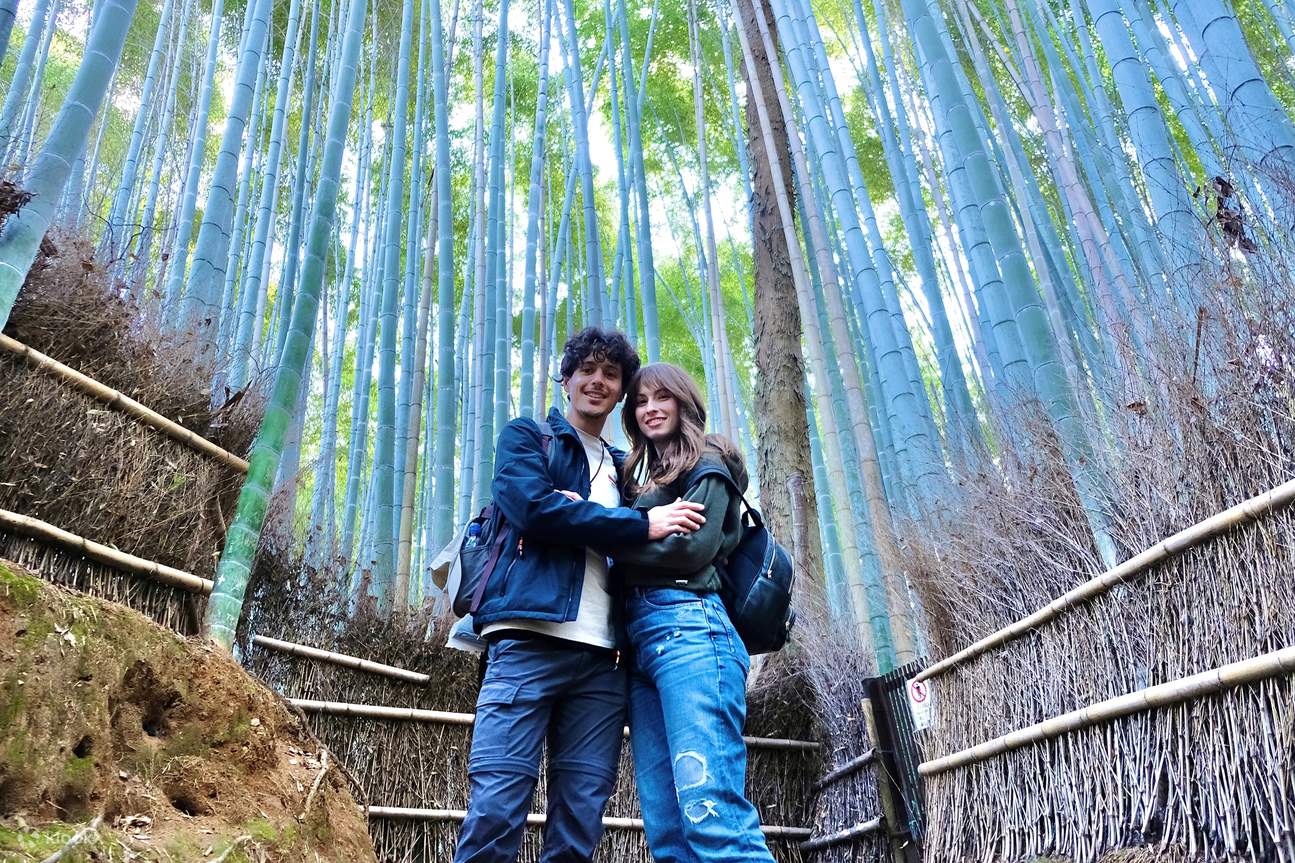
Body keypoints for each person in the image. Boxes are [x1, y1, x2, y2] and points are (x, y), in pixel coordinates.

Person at [454, 329, 707, 863]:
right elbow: (532, 509)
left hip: (603, 662)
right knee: (497, 807)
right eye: (586, 370)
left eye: (611, 375)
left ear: (621, 394)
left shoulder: (625, 469)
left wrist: (599, 516)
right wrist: (634, 524)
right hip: (526, 641)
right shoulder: (529, 437)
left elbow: (664, 534)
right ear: (565, 379)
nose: (597, 381)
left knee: (579, 822)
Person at [607, 362, 777, 863]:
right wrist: (640, 525)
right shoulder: (641, 485)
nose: (650, 409)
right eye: (640, 401)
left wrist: (612, 540)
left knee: (711, 817)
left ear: (684, 402)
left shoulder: (709, 460)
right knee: (667, 832)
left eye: (662, 398)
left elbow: (692, 550)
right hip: (641, 649)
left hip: (690, 630)